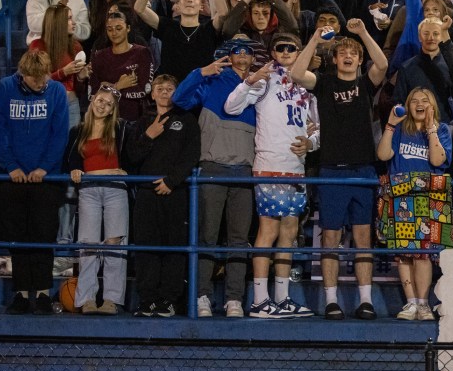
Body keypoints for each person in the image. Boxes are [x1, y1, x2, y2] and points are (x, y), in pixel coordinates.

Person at [291, 18, 388, 320]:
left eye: (353, 54)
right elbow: (296, 73)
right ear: (334, 59)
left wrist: (363, 33)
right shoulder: (324, 83)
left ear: (359, 60)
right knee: (330, 237)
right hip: (332, 169)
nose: (347, 56)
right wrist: (315, 40)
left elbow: (383, 64)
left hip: (363, 170)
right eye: (342, 52)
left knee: (363, 237)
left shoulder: (365, 84)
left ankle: (365, 301)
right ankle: (331, 300)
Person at [224, 34, 318, 318]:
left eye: (292, 48)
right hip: (270, 164)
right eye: (281, 48)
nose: (286, 52)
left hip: (296, 167)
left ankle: (282, 298)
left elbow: (317, 127)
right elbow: (231, 107)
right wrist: (250, 81)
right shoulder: (265, 79)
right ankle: (259, 300)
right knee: (269, 231)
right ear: (273, 52)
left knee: (289, 232)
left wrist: (311, 144)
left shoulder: (307, 84)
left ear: (299, 52)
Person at [172, 38, 258, 318]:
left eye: (247, 52)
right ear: (229, 57)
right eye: (237, 52)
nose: (242, 56)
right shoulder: (212, 81)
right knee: (207, 237)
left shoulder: (260, 87)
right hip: (212, 167)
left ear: (253, 58)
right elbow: (179, 100)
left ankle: (234, 299)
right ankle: (202, 296)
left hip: (244, 171)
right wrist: (200, 73)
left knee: (239, 240)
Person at [0, 51, 69, 315]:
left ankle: (44, 293)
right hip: (12, 178)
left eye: (43, 76)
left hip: (46, 178)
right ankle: (22, 294)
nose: (40, 82)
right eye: (35, 78)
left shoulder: (56, 91)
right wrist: (10, 166)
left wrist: (44, 167)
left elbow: (60, 134)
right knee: (18, 236)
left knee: (44, 235)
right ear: (23, 74)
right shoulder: (5, 88)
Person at [377, 86, 453, 321]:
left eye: (425, 100)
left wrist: (431, 130)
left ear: (433, 106)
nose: (419, 104)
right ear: (408, 106)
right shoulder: (400, 129)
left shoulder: (441, 129)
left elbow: (437, 160)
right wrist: (390, 125)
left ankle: (423, 303)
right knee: (403, 254)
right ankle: (410, 303)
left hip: (427, 200)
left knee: (423, 255)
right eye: (414, 101)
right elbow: (383, 155)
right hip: (401, 198)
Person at [127, 75, 200, 317]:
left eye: (170, 88)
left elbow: (192, 154)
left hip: (175, 193)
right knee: (146, 248)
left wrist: (172, 180)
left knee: (174, 248)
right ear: (152, 93)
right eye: (160, 88)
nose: (165, 92)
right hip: (146, 194)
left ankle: (168, 300)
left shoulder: (187, 120)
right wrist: (149, 136)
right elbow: (131, 157)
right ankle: (147, 300)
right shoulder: (142, 123)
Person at [67, 84, 128, 315]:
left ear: (113, 110)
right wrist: (75, 170)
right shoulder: (78, 130)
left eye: (109, 104)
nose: (103, 106)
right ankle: (87, 299)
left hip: (115, 189)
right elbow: (71, 160)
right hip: (89, 190)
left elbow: (127, 161)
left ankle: (111, 299)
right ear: (92, 100)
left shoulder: (120, 128)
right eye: (100, 100)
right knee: (88, 244)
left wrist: (118, 171)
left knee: (115, 243)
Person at [88, 11, 154, 122]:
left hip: (133, 119)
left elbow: (145, 90)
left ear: (128, 28)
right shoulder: (99, 56)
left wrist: (108, 87)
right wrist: (118, 86)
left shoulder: (142, 53)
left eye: (119, 28)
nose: (114, 33)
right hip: (104, 119)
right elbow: (92, 94)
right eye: (110, 29)